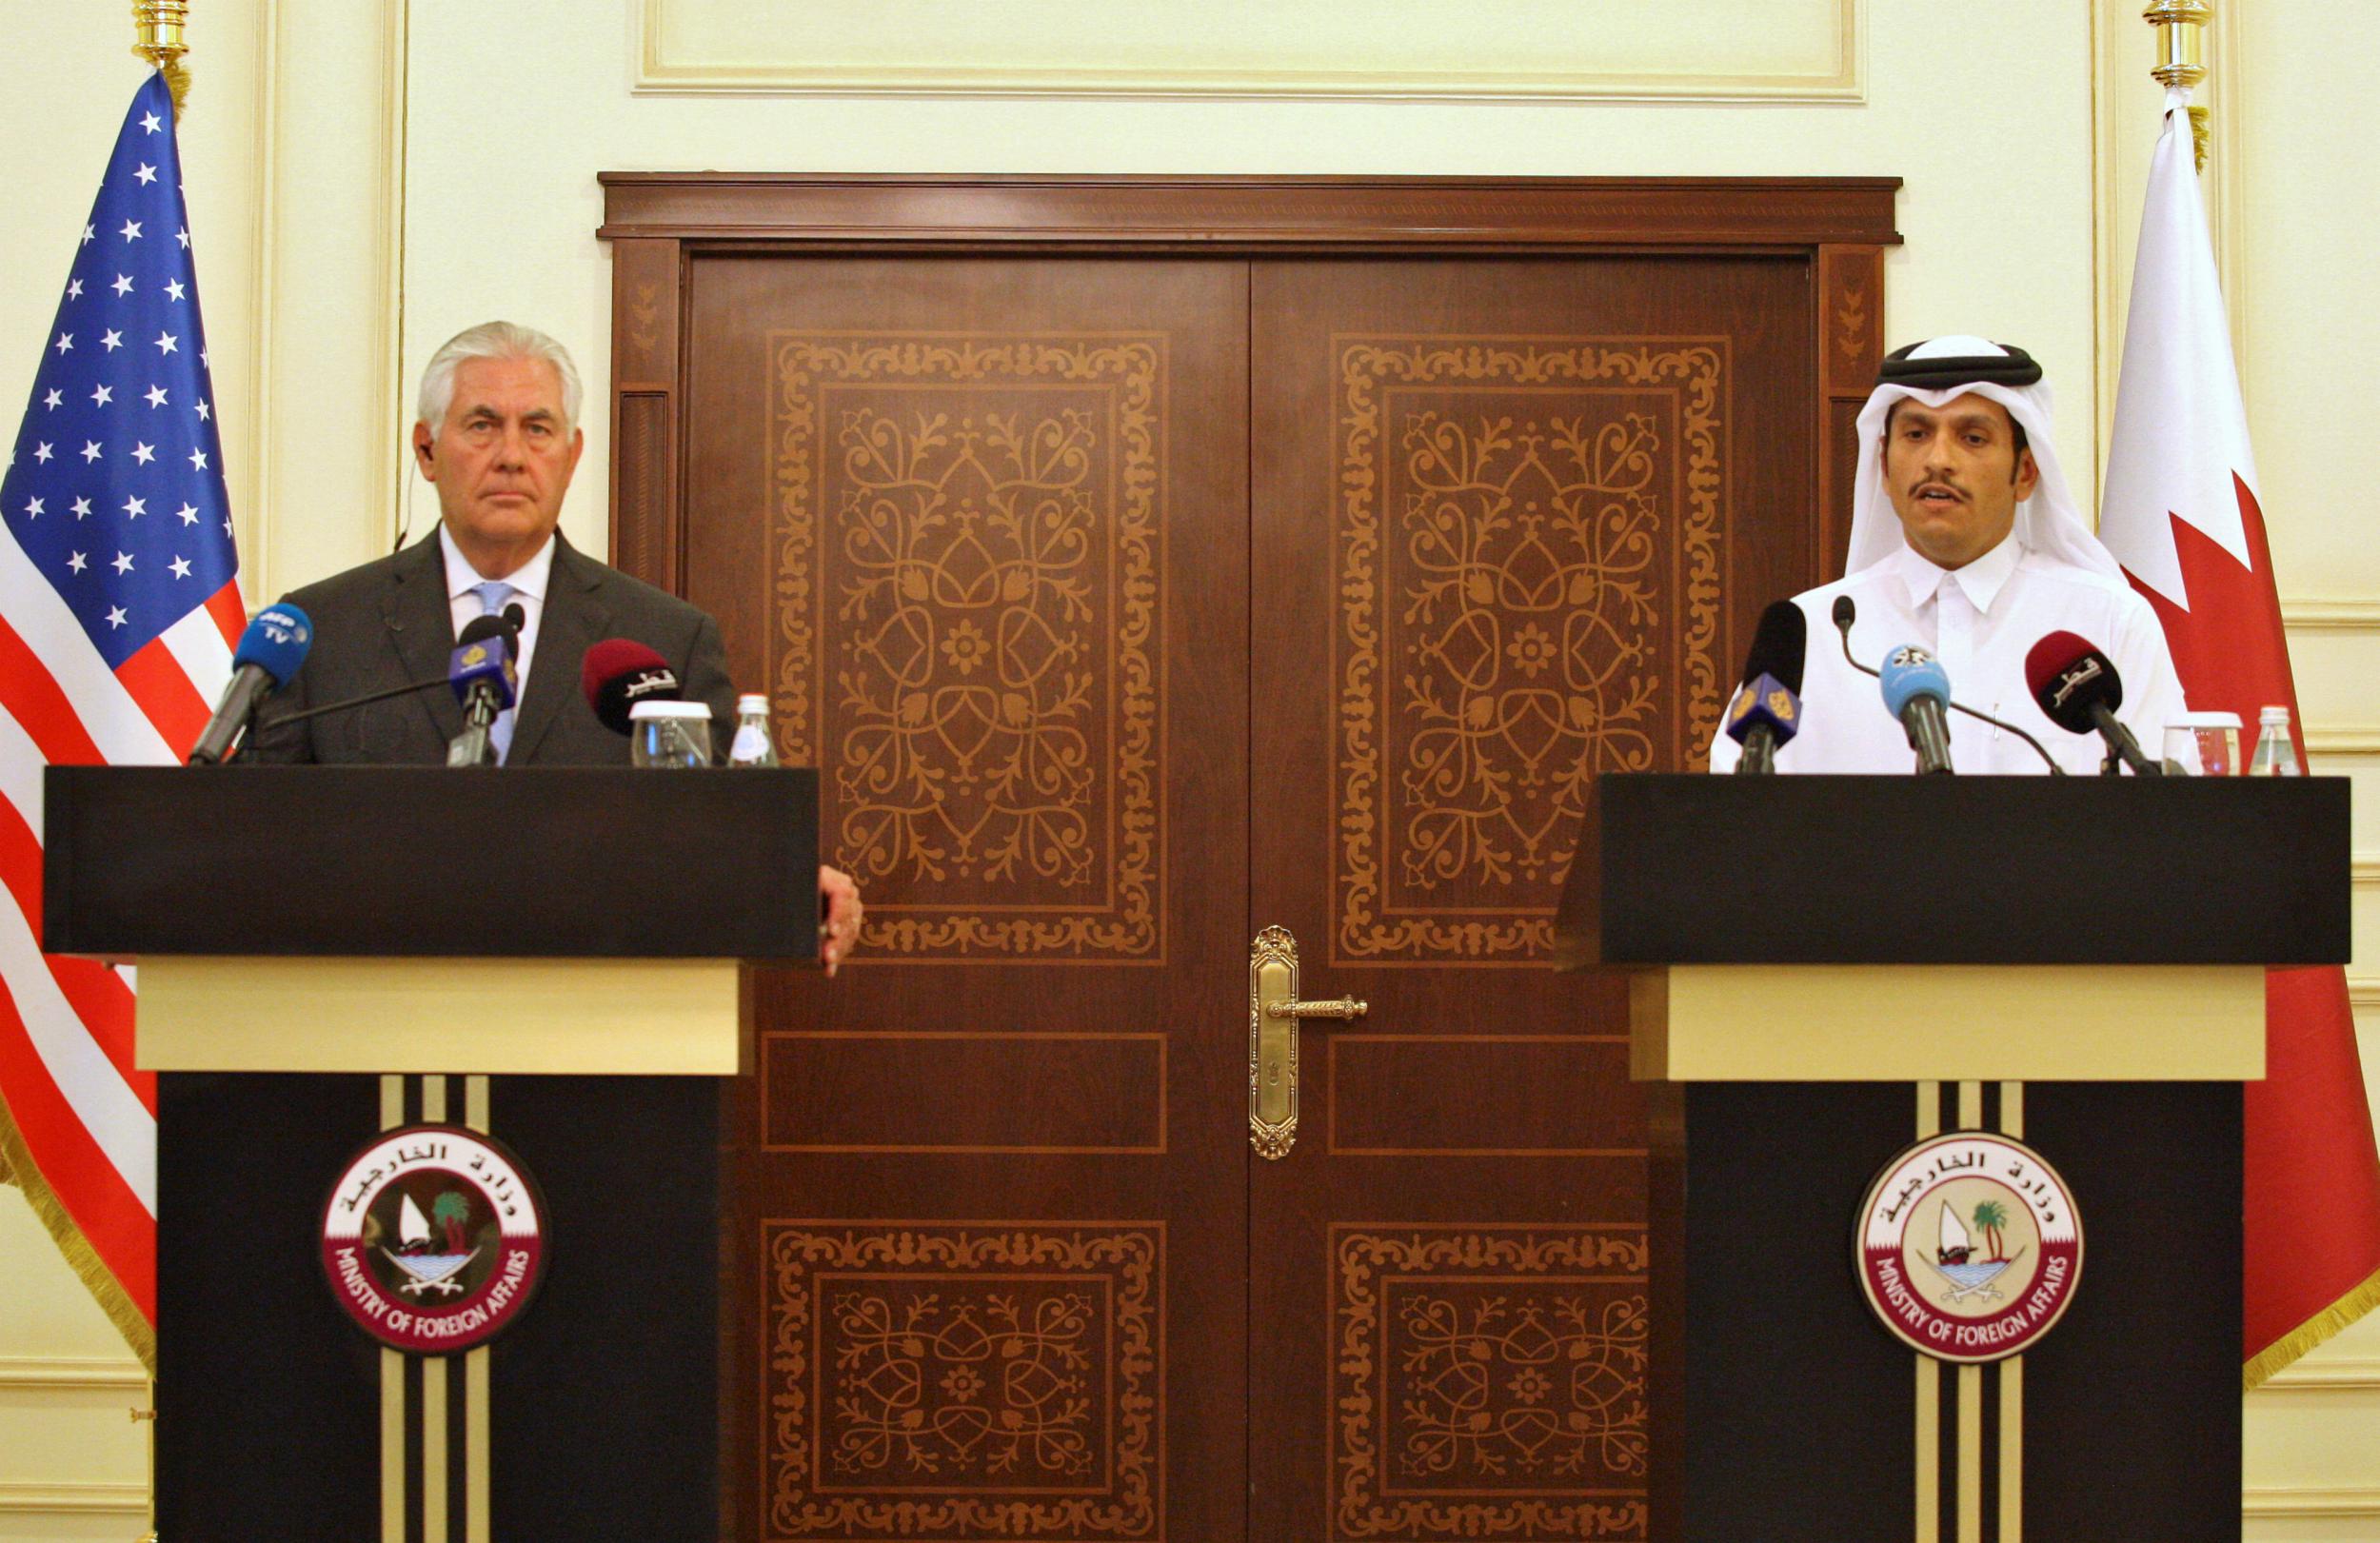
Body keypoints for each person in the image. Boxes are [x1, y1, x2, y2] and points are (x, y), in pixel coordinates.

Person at [247, 320, 863, 971]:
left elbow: (721, 830)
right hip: (370, 1009)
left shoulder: (664, 637)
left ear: (571, 456)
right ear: (426, 451)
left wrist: (790, 880)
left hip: (594, 1017)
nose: (511, 455)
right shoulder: (322, 627)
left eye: (537, 429)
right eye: (481, 425)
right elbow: (249, 829)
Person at [1709, 335, 2189, 775]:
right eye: (1916, 435)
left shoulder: (2107, 623)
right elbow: (1741, 811)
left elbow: (2159, 814)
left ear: (2025, 473)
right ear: (1885, 467)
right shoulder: (1816, 632)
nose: (1938, 459)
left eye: (1972, 438)